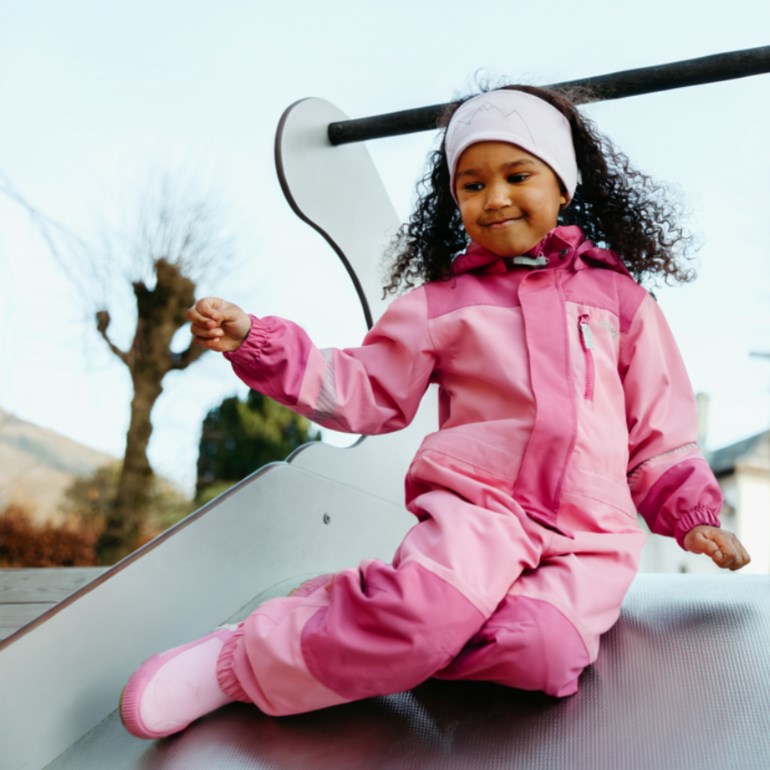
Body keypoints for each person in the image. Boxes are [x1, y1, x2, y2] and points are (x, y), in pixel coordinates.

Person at [120, 86, 751, 740]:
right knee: (423, 620)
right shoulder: (444, 305)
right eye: (472, 185)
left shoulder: (621, 304)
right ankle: (240, 660)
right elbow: (362, 388)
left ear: (562, 186)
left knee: (537, 656)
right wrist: (258, 340)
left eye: (518, 174)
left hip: (589, 535)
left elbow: (661, 430)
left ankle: (364, 615)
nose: (496, 197)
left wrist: (691, 516)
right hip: (479, 513)